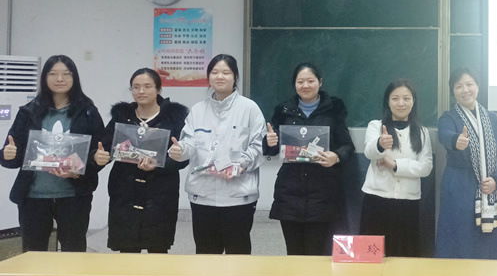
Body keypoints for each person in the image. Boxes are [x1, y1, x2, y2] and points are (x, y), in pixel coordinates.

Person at [1, 55, 104, 252]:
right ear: (44, 78)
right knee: (33, 253)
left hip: (74, 195)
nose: (60, 79)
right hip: (34, 195)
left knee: (73, 252)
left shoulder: (88, 112)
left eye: (66, 74)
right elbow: (12, 153)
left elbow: (98, 153)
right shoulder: (28, 112)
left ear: (74, 78)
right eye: (53, 74)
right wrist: (8, 154)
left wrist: (82, 168)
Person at [168, 54, 266, 255]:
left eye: (226, 72)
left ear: (235, 76)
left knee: (238, 254)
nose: (220, 77)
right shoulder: (198, 110)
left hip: (238, 195)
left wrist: (240, 165)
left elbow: (259, 145)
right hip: (202, 195)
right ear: (208, 77)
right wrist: (180, 150)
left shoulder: (249, 108)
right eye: (214, 72)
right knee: (206, 254)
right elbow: (189, 143)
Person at [94, 68, 189, 253]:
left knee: (158, 251)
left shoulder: (174, 119)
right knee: (127, 252)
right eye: (136, 87)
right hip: (125, 192)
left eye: (147, 86)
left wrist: (159, 165)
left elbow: (183, 158)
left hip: (160, 193)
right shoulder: (122, 117)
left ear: (158, 89)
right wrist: (98, 157)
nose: (141, 91)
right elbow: (105, 147)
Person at [264, 62, 355, 256]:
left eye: (310, 81)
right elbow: (272, 150)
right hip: (289, 193)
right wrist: (269, 142)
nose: (305, 85)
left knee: (317, 254)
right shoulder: (283, 111)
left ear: (320, 82)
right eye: (300, 82)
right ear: (294, 84)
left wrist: (336, 156)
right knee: (294, 253)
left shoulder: (333, 110)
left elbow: (347, 146)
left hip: (322, 193)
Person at [435, 68, 497, 260]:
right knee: (460, 234)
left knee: (489, 240)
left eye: (469, 84)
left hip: (489, 184)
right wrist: (456, 140)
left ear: (477, 87)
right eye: (459, 86)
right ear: (453, 91)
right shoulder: (448, 117)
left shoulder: (493, 119)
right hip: (459, 183)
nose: (465, 90)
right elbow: (444, 135)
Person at [360, 79, 433, 257]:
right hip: (377, 200)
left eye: (406, 98)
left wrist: (396, 165)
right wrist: (380, 143)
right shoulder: (376, 126)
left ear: (413, 102)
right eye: (395, 98)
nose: (401, 103)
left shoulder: (422, 132)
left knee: (404, 255)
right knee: (373, 256)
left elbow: (426, 167)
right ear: (388, 101)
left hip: (408, 203)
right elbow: (369, 152)